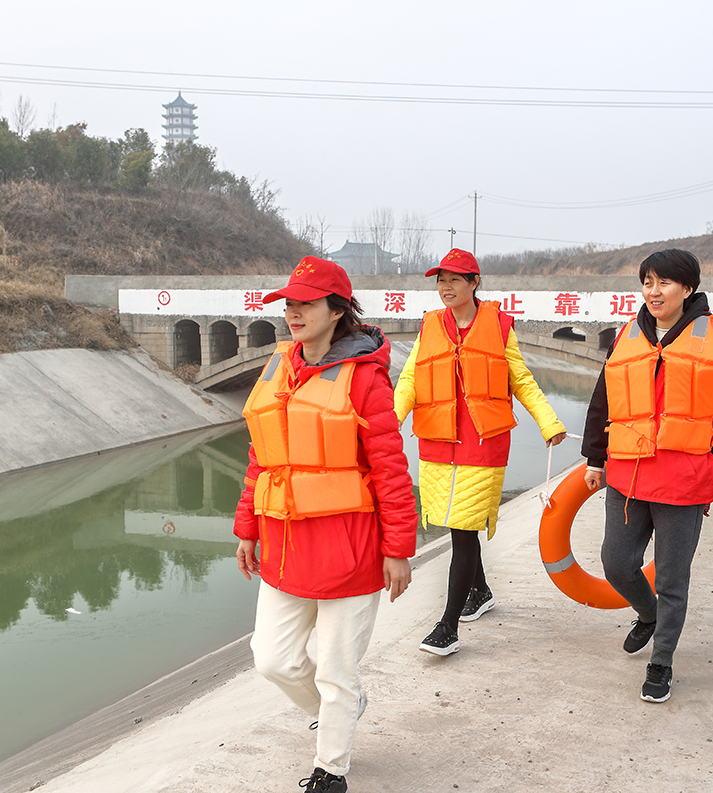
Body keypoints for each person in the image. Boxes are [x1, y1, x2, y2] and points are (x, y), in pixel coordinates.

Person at [233, 256, 416, 793]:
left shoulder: (366, 382)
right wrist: (247, 526)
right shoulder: (278, 367)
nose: (294, 312)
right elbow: (261, 456)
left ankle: (330, 769)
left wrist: (398, 548)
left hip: (350, 550)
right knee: (272, 660)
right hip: (286, 545)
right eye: (289, 303)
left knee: (336, 670)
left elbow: (390, 469)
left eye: (306, 303)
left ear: (337, 310)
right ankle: (342, 709)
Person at [581, 248, 713, 703]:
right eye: (647, 282)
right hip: (628, 476)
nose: (654, 292)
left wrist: (710, 461)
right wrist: (596, 459)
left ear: (688, 289)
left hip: (683, 481)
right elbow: (604, 399)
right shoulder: (626, 336)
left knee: (673, 577)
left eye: (664, 283)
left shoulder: (712, 337)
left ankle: (663, 660)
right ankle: (647, 613)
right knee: (617, 562)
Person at [394, 248, 567, 657]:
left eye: (455, 279)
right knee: (457, 526)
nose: (446, 287)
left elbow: (520, 379)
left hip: (483, 443)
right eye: (441, 280)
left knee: (465, 528)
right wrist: (390, 420)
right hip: (438, 443)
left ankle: (448, 625)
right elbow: (409, 379)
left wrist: (548, 422)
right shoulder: (429, 326)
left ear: (474, 283)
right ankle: (482, 591)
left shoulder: (499, 326)